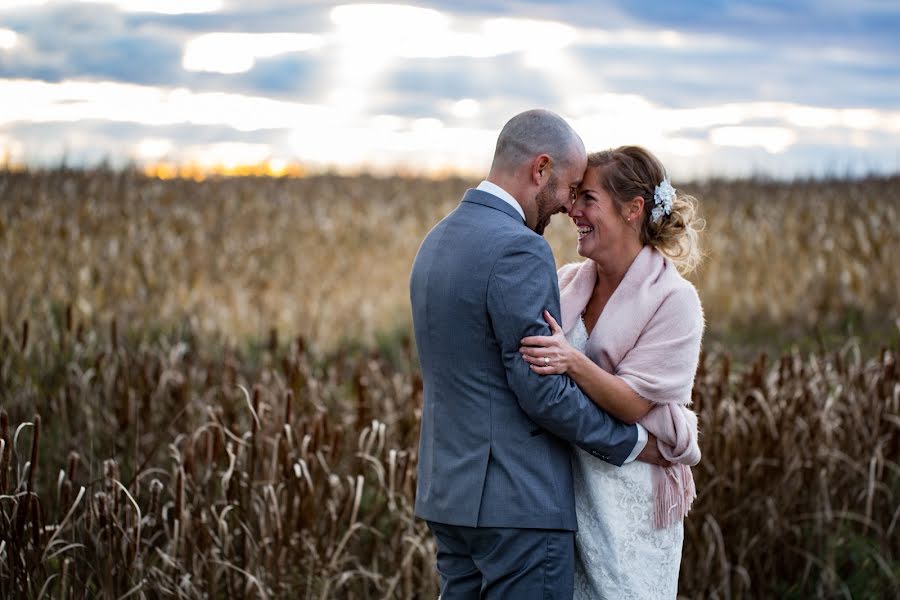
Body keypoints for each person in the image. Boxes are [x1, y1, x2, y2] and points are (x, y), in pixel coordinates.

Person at [409, 111, 668, 599]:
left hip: (449, 497)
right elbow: (542, 389)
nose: (569, 208)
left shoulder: (436, 241)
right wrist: (633, 443)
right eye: (571, 189)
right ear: (540, 169)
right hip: (517, 505)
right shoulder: (519, 250)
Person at [519, 145, 705, 598]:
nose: (572, 210)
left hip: (631, 503)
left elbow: (634, 403)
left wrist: (571, 360)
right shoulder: (566, 281)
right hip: (569, 493)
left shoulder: (674, 301)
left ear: (632, 209)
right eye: (574, 196)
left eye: (588, 199)